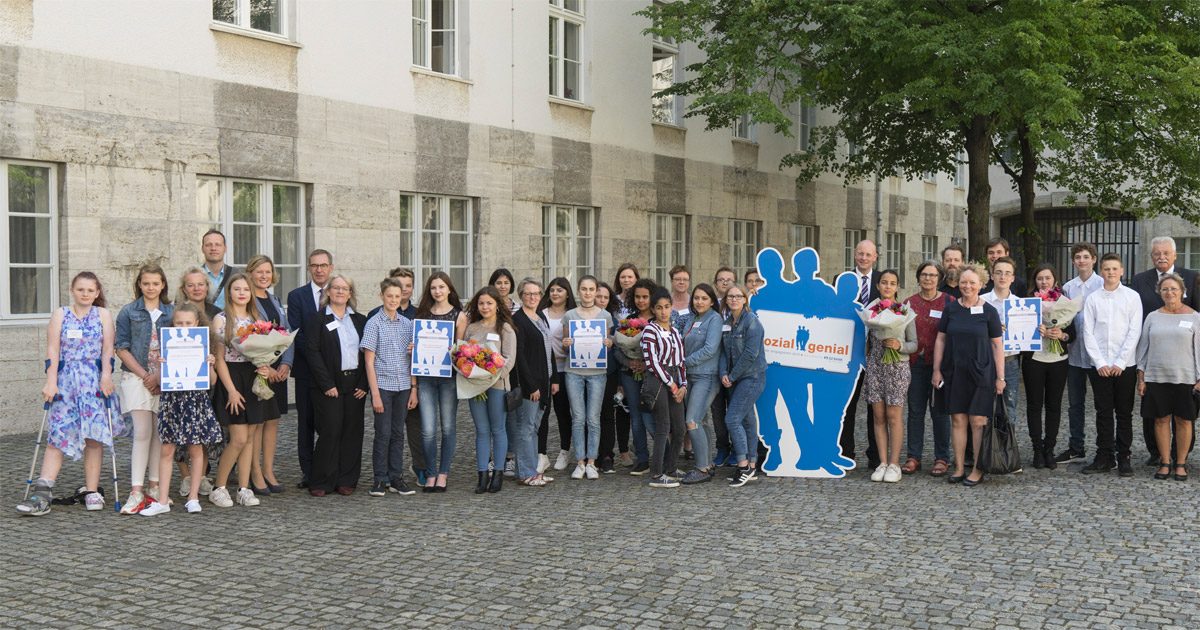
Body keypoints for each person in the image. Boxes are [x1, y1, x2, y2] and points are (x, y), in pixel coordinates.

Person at [17, 272, 118, 516]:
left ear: (97, 292)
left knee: (94, 437)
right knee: (58, 434)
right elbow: (52, 350)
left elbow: (108, 351)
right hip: (66, 382)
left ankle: (91, 490)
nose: (85, 294)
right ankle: (42, 491)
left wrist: (106, 377)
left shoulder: (103, 315)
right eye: (80, 289)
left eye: (90, 290)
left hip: (93, 382)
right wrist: (50, 382)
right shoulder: (60, 314)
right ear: (72, 290)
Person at [140, 304, 223, 516]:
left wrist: (210, 364)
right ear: (173, 323)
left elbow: (212, 382)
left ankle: (193, 497)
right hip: (172, 402)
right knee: (167, 449)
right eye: (179, 323)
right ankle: (162, 500)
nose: (183, 327)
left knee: (196, 449)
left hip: (195, 401)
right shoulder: (167, 343)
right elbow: (159, 380)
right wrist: (161, 365)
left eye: (188, 323)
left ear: (197, 323)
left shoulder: (204, 345)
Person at [931, 264, 1004, 486]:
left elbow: (997, 346)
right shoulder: (951, 309)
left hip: (981, 372)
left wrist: (1000, 377)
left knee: (978, 420)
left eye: (972, 282)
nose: (967, 286)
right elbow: (941, 339)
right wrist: (936, 369)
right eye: (964, 282)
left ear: (981, 284)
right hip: (954, 371)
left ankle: (978, 468)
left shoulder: (989, 311)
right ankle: (960, 467)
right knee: (958, 420)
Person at [1131, 236, 1198, 466]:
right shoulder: (1140, 280)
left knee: (1184, 415)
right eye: (1156, 253)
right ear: (1151, 256)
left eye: (1165, 253)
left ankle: (1181, 455)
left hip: (1184, 360)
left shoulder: (1191, 277)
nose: (1161, 257)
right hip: (1155, 357)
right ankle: (1157, 453)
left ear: (1174, 255)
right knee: (1155, 414)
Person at [115, 263, 174, 514]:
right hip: (136, 377)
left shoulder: (171, 312)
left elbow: (178, 346)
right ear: (139, 284)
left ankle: (154, 486)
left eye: (155, 283)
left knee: (160, 435)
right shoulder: (128, 312)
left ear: (163, 285)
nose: (151, 287)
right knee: (142, 432)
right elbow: (121, 347)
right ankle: (136, 491)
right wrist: (146, 376)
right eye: (146, 283)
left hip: (164, 378)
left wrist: (159, 376)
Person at [304, 274, 369, 496]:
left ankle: (346, 479)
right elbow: (312, 352)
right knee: (330, 430)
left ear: (350, 294)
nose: (340, 292)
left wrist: (364, 383)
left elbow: (368, 353)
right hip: (328, 383)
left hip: (355, 383)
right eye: (336, 288)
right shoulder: (317, 319)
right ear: (328, 292)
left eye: (345, 288)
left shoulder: (361, 320)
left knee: (352, 431)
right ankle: (321, 480)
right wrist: (326, 383)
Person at [209, 274, 268, 507]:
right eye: (237, 289)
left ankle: (244, 488)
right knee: (238, 438)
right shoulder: (221, 320)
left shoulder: (257, 318)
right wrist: (231, 390)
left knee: (251, 437)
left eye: (246, 289)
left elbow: (264, 350)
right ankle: (219, 487)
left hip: (252, 377)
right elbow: (219, 360)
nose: (242, 293)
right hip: (231, 378)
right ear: (229, 292)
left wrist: (265, 366)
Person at [1081, 254, 1142, 477]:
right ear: (1101, 270)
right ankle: (1104, 455)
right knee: (1103, 411)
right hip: (1100, 366)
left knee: (1124, 412)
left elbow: (1134, 331)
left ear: (1122, 271)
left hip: (1125, 365)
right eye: (1106, 269)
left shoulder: (1132, 297)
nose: (1110, 273)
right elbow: (1088, 332)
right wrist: (1100, 362)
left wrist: (1120, 362)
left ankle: (1124, 456)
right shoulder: (1093, 298)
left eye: (1114, 269)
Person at [362, 278, 419, 497]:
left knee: (398, 434)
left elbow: (412, 360)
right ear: (382, 297)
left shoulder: (407, 325)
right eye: (390, 296)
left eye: (397, 296)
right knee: (382, 433)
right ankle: (379, 479)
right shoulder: (374, 323)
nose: (394, 300)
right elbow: (369, 361)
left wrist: (414, 388)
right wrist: (374, 394)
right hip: (383, 387)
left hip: (404, 386)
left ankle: (396, 478)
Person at [414, 272, 468, 492]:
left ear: (449, 289)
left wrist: (455, 350)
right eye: (434, 288)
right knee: (427, 430)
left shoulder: (459, 316)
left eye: (441, 287)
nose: (437, 291)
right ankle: (430, 473)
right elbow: (416, 345)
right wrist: (414, 349)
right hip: (426, 377)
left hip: (448, 378)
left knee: (447, 428)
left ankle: (443, 473)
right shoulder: (422, 314)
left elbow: (462, 348)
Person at [462, 286, 518, 494]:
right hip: (476, 387)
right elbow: (463, 355)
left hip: (497, 386)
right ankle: (482, 473)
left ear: (497, 305)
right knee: (481, 430)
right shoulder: (472, 328)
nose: (485, 307)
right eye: (481, 303)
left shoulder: (505, 329)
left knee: (498, 429)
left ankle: (499, 473)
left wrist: (492, 377)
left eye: (489, 303)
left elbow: (509, 361)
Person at [287, 248, 334, 489]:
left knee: (329, 422)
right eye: (314, 265)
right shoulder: (297, 296)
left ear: (330, 268)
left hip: (333, 373)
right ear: (308, 268)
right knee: (305, 423)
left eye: (323, 265)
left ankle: (327, 468)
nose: (319, 269)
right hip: (306, 370)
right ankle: (308, 472)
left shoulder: (338, 293)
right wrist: (318, 359)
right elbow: (296, 333)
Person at [246, 255, 293, 496]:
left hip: (278, 372)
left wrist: (286, 364)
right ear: (250, 273)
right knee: (257, 423)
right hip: (259, 371)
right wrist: (267, 366)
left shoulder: (274, 299)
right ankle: (254, 472)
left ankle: (268, 470)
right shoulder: (247, 300)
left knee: (273, 421)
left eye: (267, 272)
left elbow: (286, 333)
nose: (264, 276)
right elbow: (247, 339)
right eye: (259, 272)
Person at [864, 270, 917, 483]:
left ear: (897, 287)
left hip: (897, 367)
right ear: (878, 286)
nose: (888, 286)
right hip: (876, 366)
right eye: (884, 282)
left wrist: (899, 345)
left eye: (892, 283)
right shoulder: (871, 311)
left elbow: (915, 344)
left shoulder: (904, 311)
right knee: (878, 416)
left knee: (894, 416)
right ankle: (882, 462)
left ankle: (895, 464)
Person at [560, 276, 615, 480]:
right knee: (578, 418)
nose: (588, 293)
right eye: (584, 289)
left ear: (595, 291)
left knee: (593, 418)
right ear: (578, 291)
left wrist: (608, 342)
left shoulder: (605, 316)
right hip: (574, 371)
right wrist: (566, 343)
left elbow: (608, 340)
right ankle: (580, 461)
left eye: (591, 289)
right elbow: (565, 348)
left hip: (597, 372)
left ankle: (592, 461)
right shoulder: (570, 315)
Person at [903, 261, 953, 476]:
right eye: (924, 274)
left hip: (941, 366)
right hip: (915, 364)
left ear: (939, 278)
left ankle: (942, 457)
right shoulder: (908, 303)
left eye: (933, 275)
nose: (928, 279)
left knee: (940, 412)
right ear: (918, 277)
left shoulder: (950, 302)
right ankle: (914, 456)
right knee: (915, 411)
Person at [1056, 242, 1103, 465]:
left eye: (1086, 256)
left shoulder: (1103, 284)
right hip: (1075, 354)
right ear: (1073, 261)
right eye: (1078, 257)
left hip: (1098, 356)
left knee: (1103, 404)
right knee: (1075, 403)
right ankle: (1076, 447)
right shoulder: (1068, 287)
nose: (1082, 260)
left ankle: (1105, 448)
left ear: (1094, 259)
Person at [1023, 265, 1073, 470]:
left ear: (1054, 280)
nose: (1044, 282)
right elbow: (1018, 332)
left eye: (1048, 278)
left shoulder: (1064, 302)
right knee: (1034, 405)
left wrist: (1061, 335)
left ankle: (1049, 449)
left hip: (1058, 360)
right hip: (1034, 359)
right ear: (1034, 281)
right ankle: (1036, 450)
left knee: (1054, 405)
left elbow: (1074, 333)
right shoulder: (1027, 303)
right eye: (1040, 278)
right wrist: (1034, 329)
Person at [720, 284, 767, 487]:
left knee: (732, 419)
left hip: (752, 377)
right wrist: (723, 373)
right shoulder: (727, 322)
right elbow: (723, 351)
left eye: (738, 296)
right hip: (734, 378)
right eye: (730, 296)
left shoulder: (752, 322)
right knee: (747, 420)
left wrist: (732, 375)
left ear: (745, 299)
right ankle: (752, 463)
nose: (734, 299)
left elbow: (750, 354)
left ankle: (743, 465)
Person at [642, 287, 688, 488]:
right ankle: (657, 473)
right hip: (659, 381)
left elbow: (681, 360)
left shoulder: (675, 331)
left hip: (676, 379)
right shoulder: (650, 331)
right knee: (663, 427)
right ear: (653, 310)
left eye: (667, 307)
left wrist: (683, 385)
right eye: (659, 308)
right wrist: (671, 384)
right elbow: (652, 362)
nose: (663, 312)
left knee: (679, 428)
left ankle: (671, 467)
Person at [512, 278, 556, 486]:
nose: (533, 297)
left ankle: (532, 470)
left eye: (536, 293)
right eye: (528, 294)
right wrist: (531, 386)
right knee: (526, 428)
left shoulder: (540, 317)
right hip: (530, 385)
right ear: (521, 296)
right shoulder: (518, 320)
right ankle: (526, 473)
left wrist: (554, 378)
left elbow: (549, 350)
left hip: (545, 382)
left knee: (535, 427)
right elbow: (519, 358)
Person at [677, 283, 723, 484]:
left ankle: (702, 468)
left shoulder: (715, 319)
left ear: (712, 300)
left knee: (692, 420)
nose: (699, 301)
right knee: (701, 420)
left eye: (704, 298)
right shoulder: (692, 319)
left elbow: (710, 349)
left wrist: (684, 363)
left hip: (706, 376)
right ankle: (707, 462)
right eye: (696, 298)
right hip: (690, 377)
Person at [843, 239, 882, 471]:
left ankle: (876, 455)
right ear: (854, 254)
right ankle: (845, 451)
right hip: (848, 352)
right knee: (847, 405)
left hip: (876, 353)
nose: (863, 258)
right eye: (860, 254)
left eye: (868, 255)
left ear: (875, 257)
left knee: (875, 407)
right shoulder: (842, 279)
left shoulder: (882, 281)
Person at [618, 278, 658, 475]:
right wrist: (630, 363)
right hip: (630, 373)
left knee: (652, 416)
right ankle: (642, 458)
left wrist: (646, 364)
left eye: (645, 297)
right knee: (635, 416)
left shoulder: (660, 318)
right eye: (637, 297)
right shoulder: (629, 321)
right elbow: (618, 350)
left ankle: (663, 455)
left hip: (653, 375)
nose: (641, 301)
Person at [980, 256, 1023, 432]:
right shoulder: (980, 301)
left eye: (1007, 273)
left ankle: (1006, 452)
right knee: (982, 408)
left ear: (1013, 278)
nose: (1002, 277)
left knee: (1009, 407)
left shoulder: (1021, 305)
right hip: (984, 361)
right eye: (998, 273)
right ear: (992, 276)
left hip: (1009, 361)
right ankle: (983, 451)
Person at [595, 281, 630, 472]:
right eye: (598, 296)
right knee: (590, 416)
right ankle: (591, 455)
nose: (601, 300)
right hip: (586, 372)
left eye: (605, 297)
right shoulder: (580, 318)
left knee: (607, 414)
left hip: (609, 372)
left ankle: (607, 455)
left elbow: (619, 351)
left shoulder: (614, 321)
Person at [709, 267, 738, 466]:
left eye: (729, 280)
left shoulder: (741, 308)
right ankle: (722, 448)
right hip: (713, 368)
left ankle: (738, 449)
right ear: (716, 284)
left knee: (736, 412)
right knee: (717, 413)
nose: (725, 283)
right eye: (721, 280)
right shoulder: (710, 308)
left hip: (735, 369)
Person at [201, 229, 237, 309]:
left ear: (225, 248)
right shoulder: (194, 276)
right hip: (202, 321)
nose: (213, 248)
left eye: (218, 245)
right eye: (208, 245)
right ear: (202, 249)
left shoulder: (237, 275)